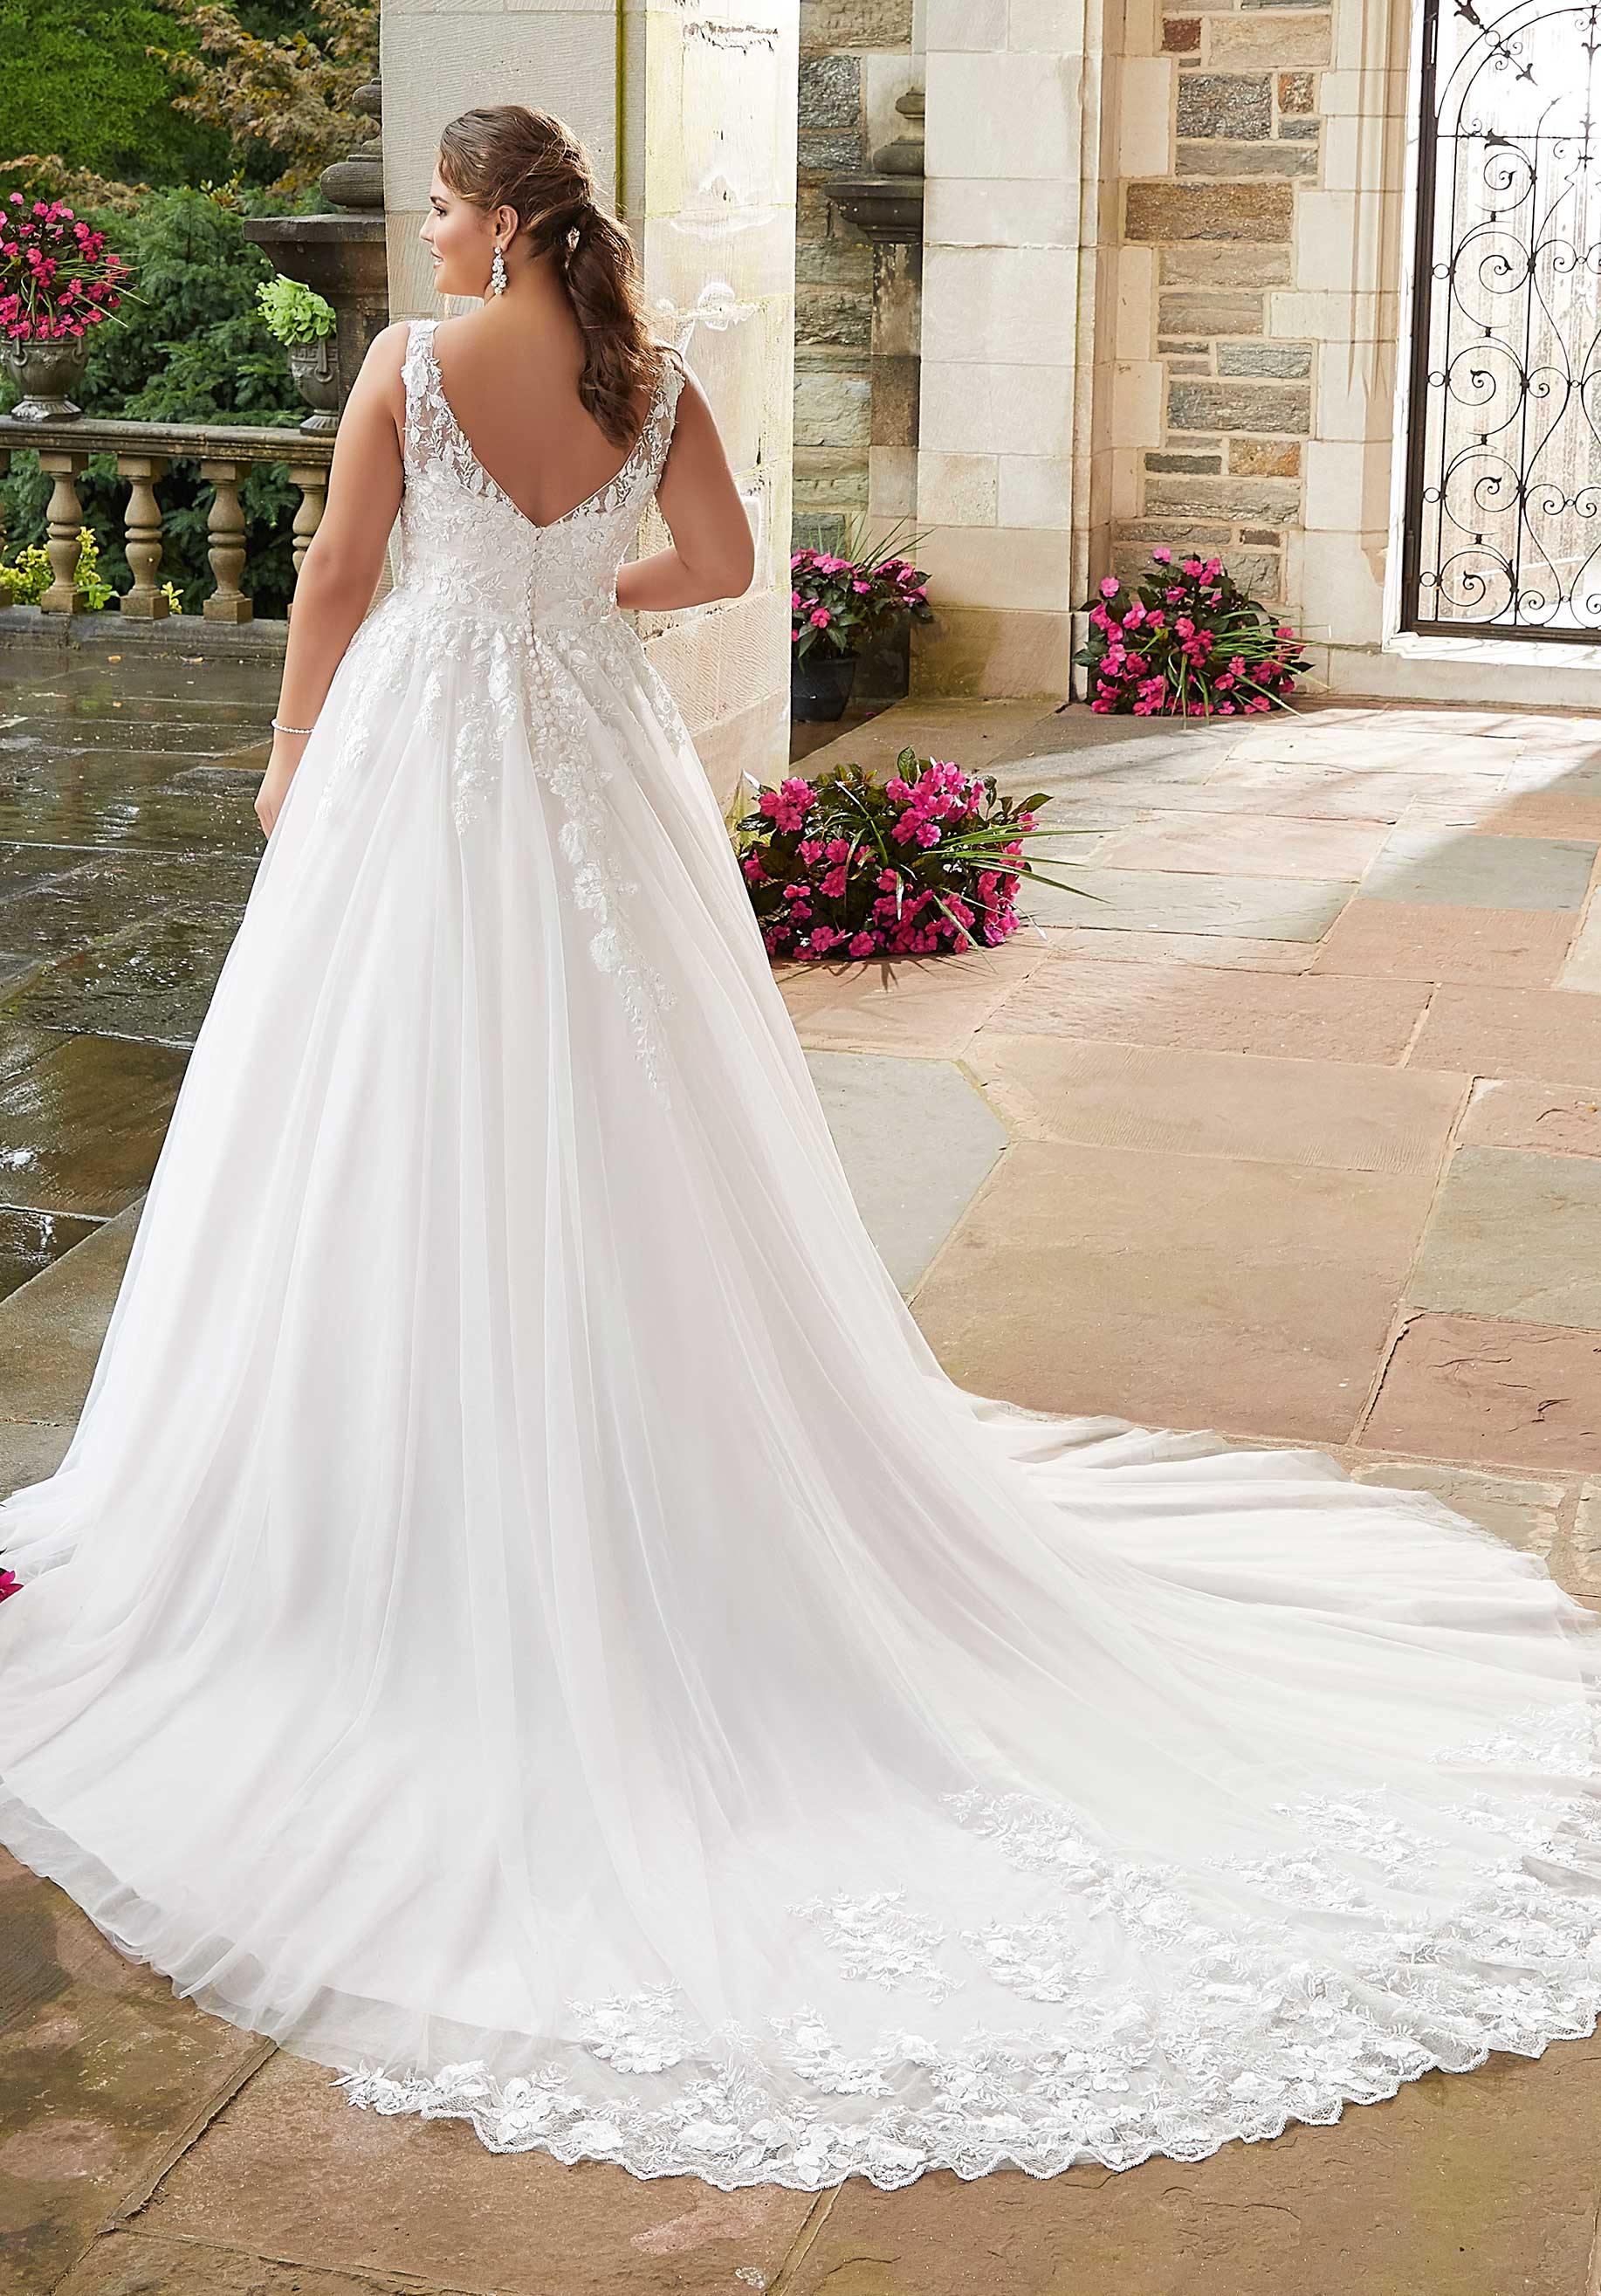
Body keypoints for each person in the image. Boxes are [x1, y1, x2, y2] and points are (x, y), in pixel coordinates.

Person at [3, 101, 1600, 2197]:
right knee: (636, 1118)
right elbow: (731, 569)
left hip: (422, 762)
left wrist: (303, 747)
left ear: (479, 212)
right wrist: (577, 598)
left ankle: (405, 1460)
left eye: (435, 199)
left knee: (384, 1101)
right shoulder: (645, 362)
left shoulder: (414, 355)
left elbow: (330, 582)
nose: (422, 222)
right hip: (589, 745)